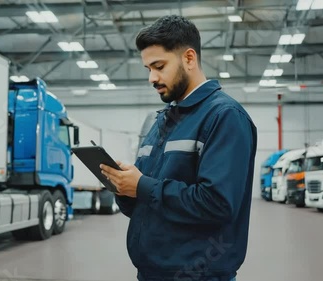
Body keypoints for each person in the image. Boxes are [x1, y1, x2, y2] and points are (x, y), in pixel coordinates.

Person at [100, 15, 257, 281]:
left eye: (159, 66)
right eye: (148, 69)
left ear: (189, 58)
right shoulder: (160, 121)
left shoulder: (224, 117)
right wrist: (125, 188)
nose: (152, 77)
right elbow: (145, 203)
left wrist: (142, 186)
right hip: (151, 272)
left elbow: (217, 204)